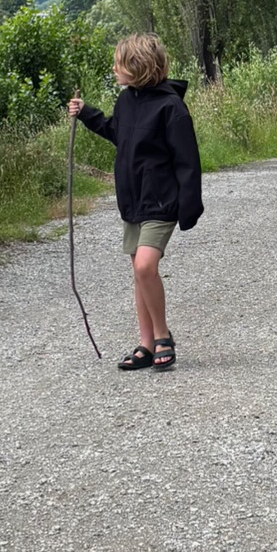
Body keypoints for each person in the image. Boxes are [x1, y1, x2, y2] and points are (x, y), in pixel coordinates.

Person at [69, 34, 203, 371]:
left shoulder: (171, 107)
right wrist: (86, 113)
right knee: (138, 272)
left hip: (161, 202)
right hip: (132, 201)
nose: (114, 68)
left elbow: (188, 160)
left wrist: (189, 206)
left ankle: (162, 336)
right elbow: (117, 133)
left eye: (119, 63)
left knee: (145, 266)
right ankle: (145, 344)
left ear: (138, 67)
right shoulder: (126, 101)